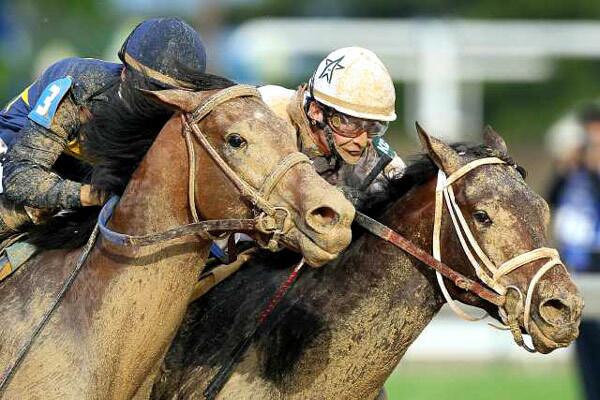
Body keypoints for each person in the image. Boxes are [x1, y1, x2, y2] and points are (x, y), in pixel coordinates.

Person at [0, 17, 208, 239]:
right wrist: (95, 196)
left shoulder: (177, 113)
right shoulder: (80, 88)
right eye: (152, 89)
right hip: (16, 151)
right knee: (30, 210)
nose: (160, 104)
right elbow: (20, 179)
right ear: (124, 74)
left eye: (172, 94)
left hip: (84, 170)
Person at [258, 47, 405, 211]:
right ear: (316, 112)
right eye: (351, 124)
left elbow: (410, 195)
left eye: (373, 126)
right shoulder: (263, 113)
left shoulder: (378, 160)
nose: (362, 142)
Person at [548, 103, 600, 400]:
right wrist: (568, 166)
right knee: (586, 352)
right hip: (578, 268)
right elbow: (552, 197)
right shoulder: (574, 172)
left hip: (597, 266)